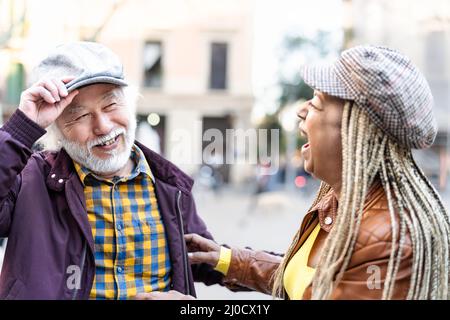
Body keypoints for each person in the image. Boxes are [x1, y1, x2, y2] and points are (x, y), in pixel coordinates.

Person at [158, 45, 450, 300]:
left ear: (354, 131)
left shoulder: (388, 239)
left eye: (317, 103)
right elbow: (310, 283)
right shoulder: (340, 202)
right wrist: (228, 260)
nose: (301, 111)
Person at [0, 41, 224, 299]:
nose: (104, 127)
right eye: (79, 116)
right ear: (56, 130)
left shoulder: (169, 185)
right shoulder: (30, 180)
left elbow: (206, 260)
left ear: (130, 104)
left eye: (110, 106)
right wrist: (21, 128)